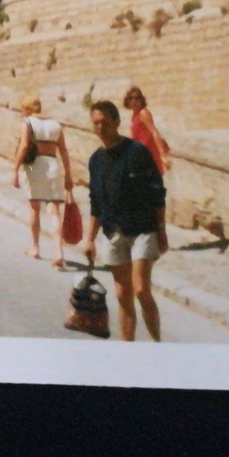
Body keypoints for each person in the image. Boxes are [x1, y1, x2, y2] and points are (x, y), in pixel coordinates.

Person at [82, 100, 167, 341]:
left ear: (117, 122)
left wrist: (161, 231)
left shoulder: (136, 152)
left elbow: (157, 192)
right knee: (122, 294)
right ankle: (127, 349)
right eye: (96, 123)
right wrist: (89, 239)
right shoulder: (95, 160)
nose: (100, 128)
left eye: (105, 122)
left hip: (142, 229)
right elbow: (95, 202)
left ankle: (157, 344)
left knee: (141, 290)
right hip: (113, 232)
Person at [12, 94, 74, 268]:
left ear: (27, 109)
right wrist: (68, 175)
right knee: (54, 210)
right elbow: (64, 151)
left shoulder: (27, 123)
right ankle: (59, 252)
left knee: (34, 207)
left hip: (34, 166)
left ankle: (35, 247)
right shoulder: (55, 125)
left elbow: (24, 146)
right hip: (53, 164)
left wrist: (15, 169)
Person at [124, 86, 173, 175]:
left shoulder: (143, 113)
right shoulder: (135, 115)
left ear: (141, 100)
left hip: (150, 154)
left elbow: (154, 132)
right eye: (131, 98)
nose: (134, 101)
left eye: (137, 98)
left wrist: (163, 155)